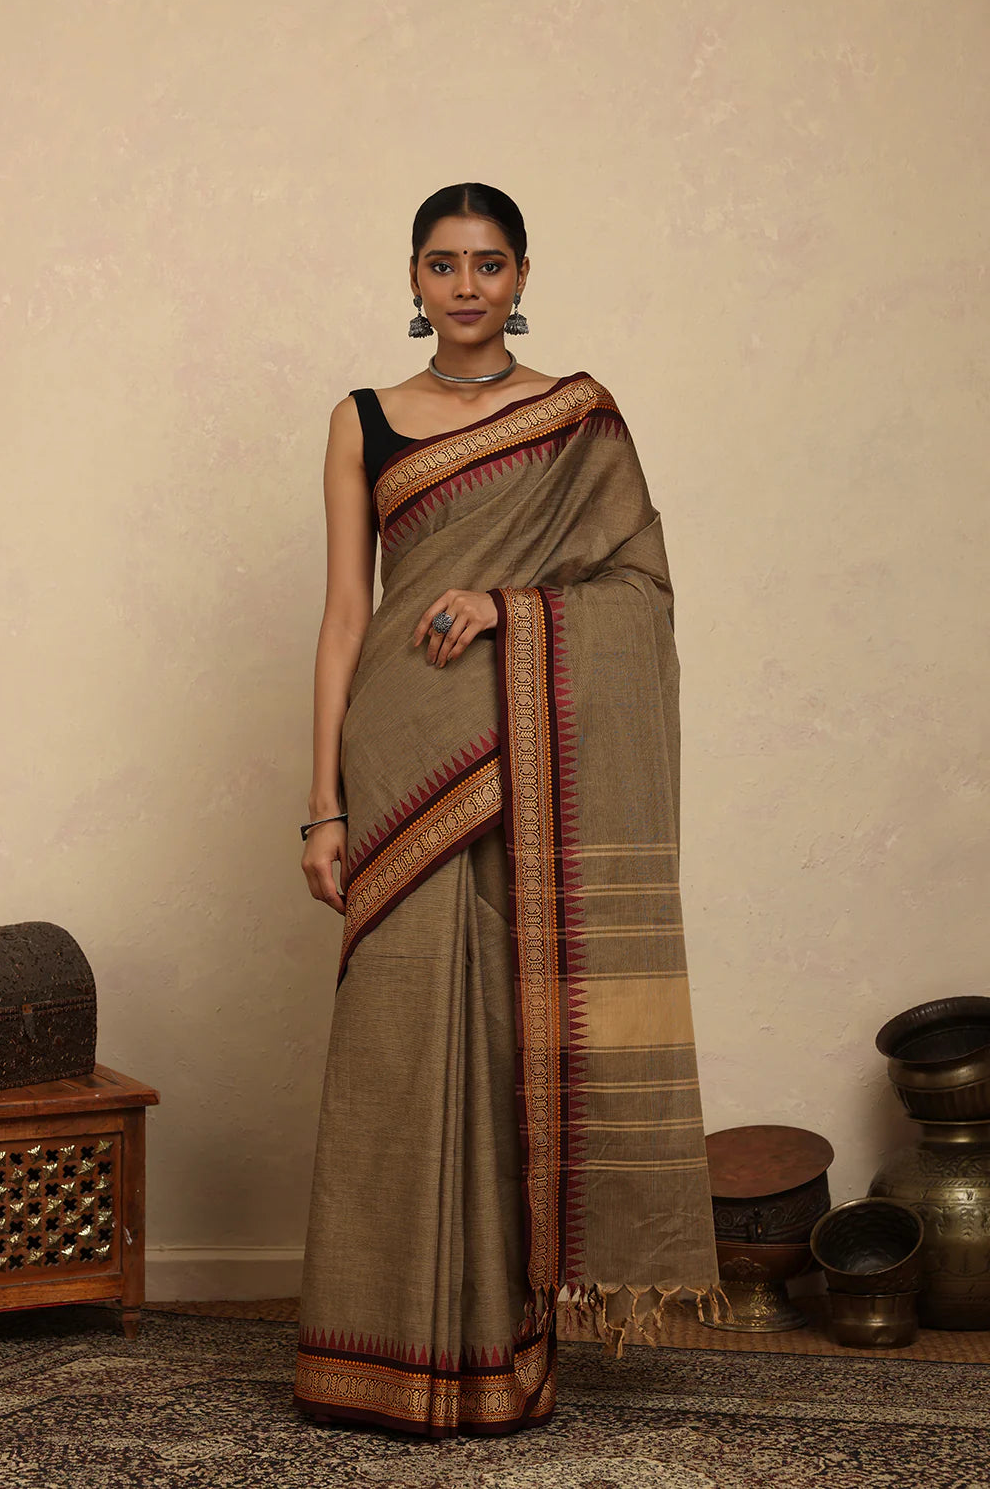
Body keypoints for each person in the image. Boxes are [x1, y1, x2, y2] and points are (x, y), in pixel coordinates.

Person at [293, 182, 724, 1439]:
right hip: (401, 755)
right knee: (396, 1049)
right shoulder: (363, 420)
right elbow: (344, 616)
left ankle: (499, 1360)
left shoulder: (577, 418)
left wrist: (509, 609)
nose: (466, 286)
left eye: (489, 263)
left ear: (522, 276)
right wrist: (321, 805)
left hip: (527, 764)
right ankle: (376, 1358)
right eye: (443, 264)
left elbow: (639, 590)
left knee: (511, 1044)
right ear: (413, 279)